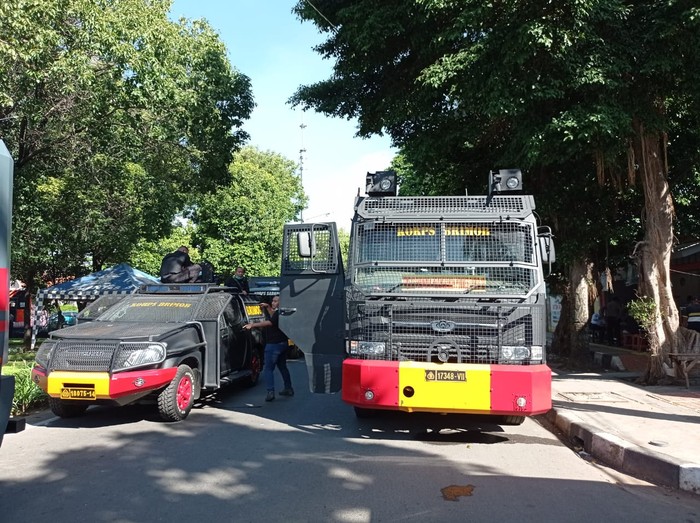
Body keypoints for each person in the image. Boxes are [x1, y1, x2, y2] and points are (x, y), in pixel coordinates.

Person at [243, 295, 293, 401]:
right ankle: (288, 388)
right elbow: (273, 317)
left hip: (274, 344)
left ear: (281, 302)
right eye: (273, 301)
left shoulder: (279, 312)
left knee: (268, 369)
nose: (273, 303)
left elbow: (270, 322)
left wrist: (252, 325)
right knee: (282, 367)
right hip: (283, 343)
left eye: (275, 301)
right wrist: (268, 308)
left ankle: (270, 392)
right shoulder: (283, 312)